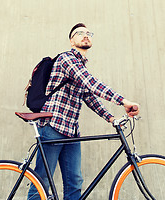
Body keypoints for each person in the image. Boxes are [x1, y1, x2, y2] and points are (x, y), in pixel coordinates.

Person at [27, 23, 139, 200]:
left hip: (72, 132)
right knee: (41, 183)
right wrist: (123, 101)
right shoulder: (67, 59)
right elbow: (91, 83)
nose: (85, 36)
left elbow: (89, 97)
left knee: (74, 183)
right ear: (72, 41)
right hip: (53, 126)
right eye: (79, 33)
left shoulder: (81, 66)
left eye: (88, 33)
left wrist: (111, 118)